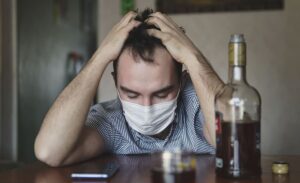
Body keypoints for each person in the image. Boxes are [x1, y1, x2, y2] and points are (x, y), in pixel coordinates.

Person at [34, 9, 225, 167]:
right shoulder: (111, 123)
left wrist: (192, 56)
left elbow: (236, 143)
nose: (146, 107)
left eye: (162, 93)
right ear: (116, 83)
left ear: (182, 82)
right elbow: (48, 151)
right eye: (131, 94)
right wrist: (100, 56)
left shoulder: (200, 108)